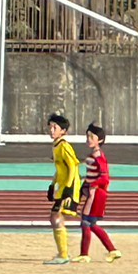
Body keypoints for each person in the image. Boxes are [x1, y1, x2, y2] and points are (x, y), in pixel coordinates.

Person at [73, 122, 122, 264]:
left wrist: (92, 187)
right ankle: (111, 250)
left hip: (97, 194)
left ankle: (86, 254)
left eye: (91, 136)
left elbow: (105, 177)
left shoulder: (99, 156)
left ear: (99, 140)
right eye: (87, 136)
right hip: (92, 193)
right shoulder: (92, 155)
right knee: (90, 223)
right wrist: (83, 191)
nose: (88, 139)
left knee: (87, 222)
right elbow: (91, 176)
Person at [45, 113, 82, 265]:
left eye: (55, 127)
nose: (51, 130)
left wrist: (68, 188)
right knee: (55, 217)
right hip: (62, 187)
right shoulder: (56, 146)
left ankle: (64, 254)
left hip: (69, 187)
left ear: (63, 131)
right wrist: (52, 185)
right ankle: (63, 253)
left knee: (56, 216)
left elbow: (73, 166)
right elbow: (59, 169)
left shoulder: (64, 146)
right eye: (50, 127)